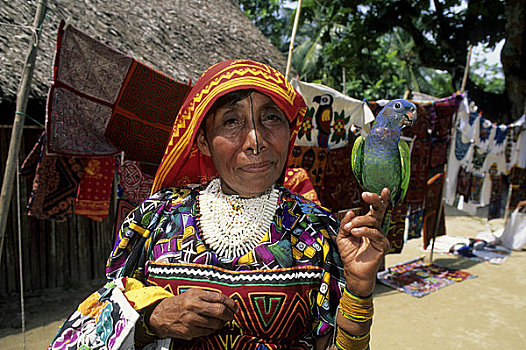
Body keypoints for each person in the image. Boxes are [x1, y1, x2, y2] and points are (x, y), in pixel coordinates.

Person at [49, 59, 390, 350]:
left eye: (271, 118)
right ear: (202, 141)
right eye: (231, 121)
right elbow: (95, 322)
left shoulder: (320, 230)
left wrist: (359, 289)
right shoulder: (155, 218)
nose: (256, 141)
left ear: (290, 130)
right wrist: (151, 320)